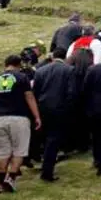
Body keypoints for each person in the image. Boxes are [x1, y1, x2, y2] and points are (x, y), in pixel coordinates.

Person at [0, 55, 42, 193]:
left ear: (5, 64)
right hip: (19, 118)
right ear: (18, 65)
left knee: (3, 153)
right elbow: (29, 97)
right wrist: (37, 116)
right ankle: (11, 178)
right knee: (19, 150)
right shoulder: (22, 77)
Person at [33, 48, 74, 182]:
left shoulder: (40, 71)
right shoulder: (69, 70)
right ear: (65, 57)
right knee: (53, 140)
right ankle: (47, 171)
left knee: (45, 138)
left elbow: (36, 91)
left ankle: (43, 161)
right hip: (59, 109)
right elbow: (71, 92)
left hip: (42, 108)